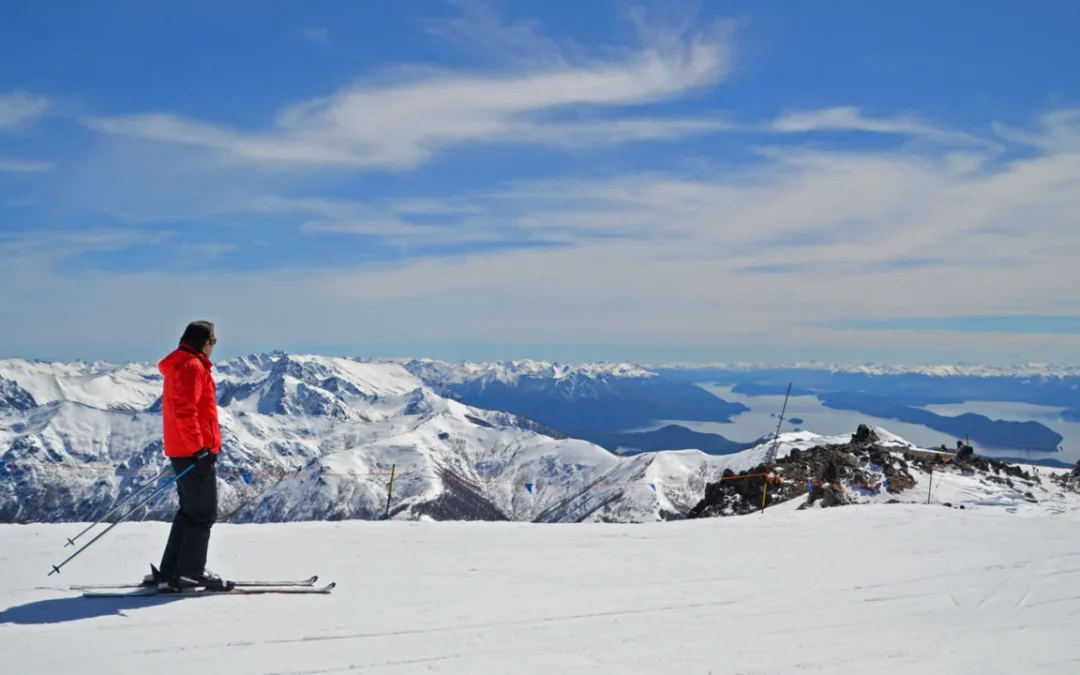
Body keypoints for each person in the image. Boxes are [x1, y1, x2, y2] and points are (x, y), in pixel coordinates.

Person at [144, 320, 233, 591]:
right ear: (203, 342)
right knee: (203, 513)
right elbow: (186, 410)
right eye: (213, 342)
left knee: (189, 512)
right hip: (193, 452)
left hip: (182, 449)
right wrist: (199, 448)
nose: (213, 347)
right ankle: (190, 573)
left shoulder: (181, 364)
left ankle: (171, 570)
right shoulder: (193, 366)